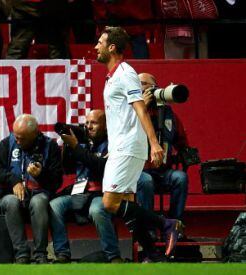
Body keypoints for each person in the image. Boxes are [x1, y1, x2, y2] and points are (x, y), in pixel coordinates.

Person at [94, 26, 182, 262]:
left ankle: (166, 223)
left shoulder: (126, 73)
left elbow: (140, 109)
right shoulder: (113, 76)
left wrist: (154, 144)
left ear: (112, 47)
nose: (96, 46)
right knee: (127, 205)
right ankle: (152, 254)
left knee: (110, 203)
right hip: (119, 147)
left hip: (128, 147)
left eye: (100, 43)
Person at [0, 114, 63, 264]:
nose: (17, 141)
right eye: (16, 136)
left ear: (35, 134)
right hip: (10, 195)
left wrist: (41, 175)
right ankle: (21, 253)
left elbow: (56, 181)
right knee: (10, 202)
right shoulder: (7, 143)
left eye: (22, 138)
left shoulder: (50, 146)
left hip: (39, 193)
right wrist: (13, 180)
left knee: (39, 202)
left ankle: (40, 253)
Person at [50, 110, 123, 263]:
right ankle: (62, 254)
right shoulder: (82, 142)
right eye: (87, 123)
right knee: (54, 205)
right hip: (80, 192)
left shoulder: (114, 143)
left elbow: (101, 166)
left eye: (94, 123)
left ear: (106, 125)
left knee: (97, 210)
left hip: (102, 193)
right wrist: (68, 147)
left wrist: (76, 147)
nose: (89, 127)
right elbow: (68, 169)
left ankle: (113, 256)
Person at [136, 73, 189, 221]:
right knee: (146, 181)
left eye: (145, 83)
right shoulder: (131, 112)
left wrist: (186, 155)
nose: (142, 87)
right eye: (139, 83)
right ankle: (149, 226)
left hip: (164, 171)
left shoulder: (168, 114)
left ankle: (173, 224)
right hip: (140, 171)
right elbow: (127, 135)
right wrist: (143, 108)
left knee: (181, 178)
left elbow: (182, 142)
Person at [5, 0, 70, 59]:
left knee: (17, 49)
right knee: (58, 50)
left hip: (26, 6)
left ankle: (10, 69)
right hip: (51, 7)